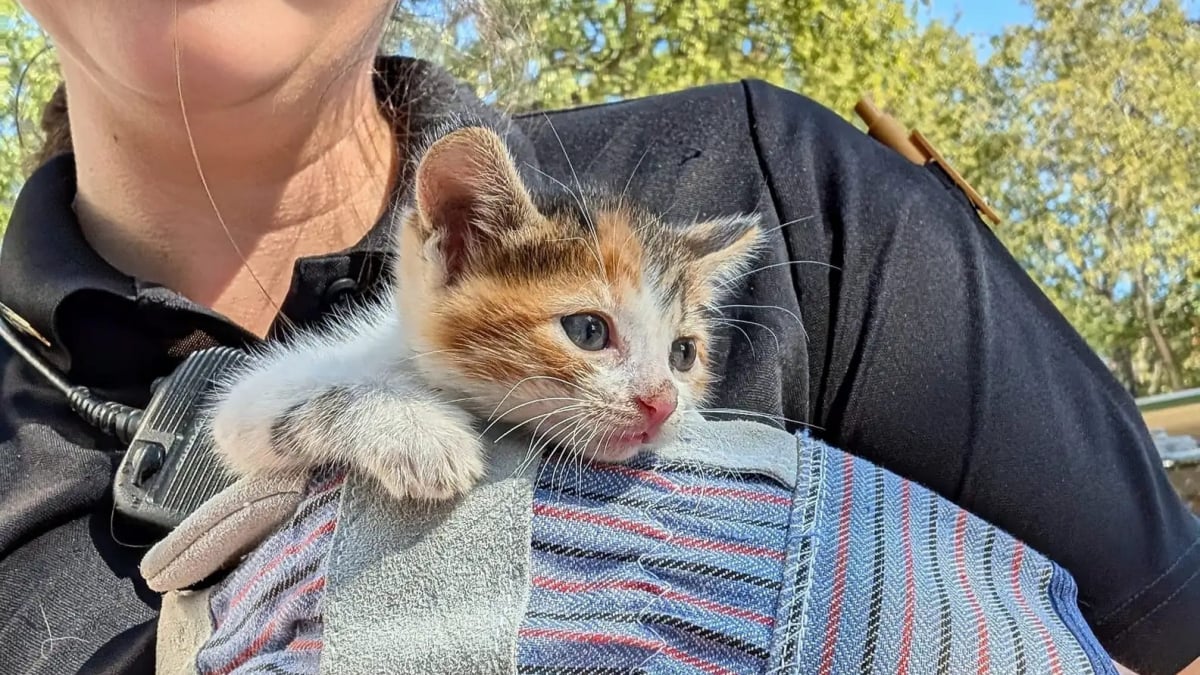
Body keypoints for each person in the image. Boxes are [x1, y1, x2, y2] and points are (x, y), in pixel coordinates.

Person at [0, 1, 1195, 674]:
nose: (660, 396)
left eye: (682, 357)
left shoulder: (789, 193)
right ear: (453, 243)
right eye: (588, 332)